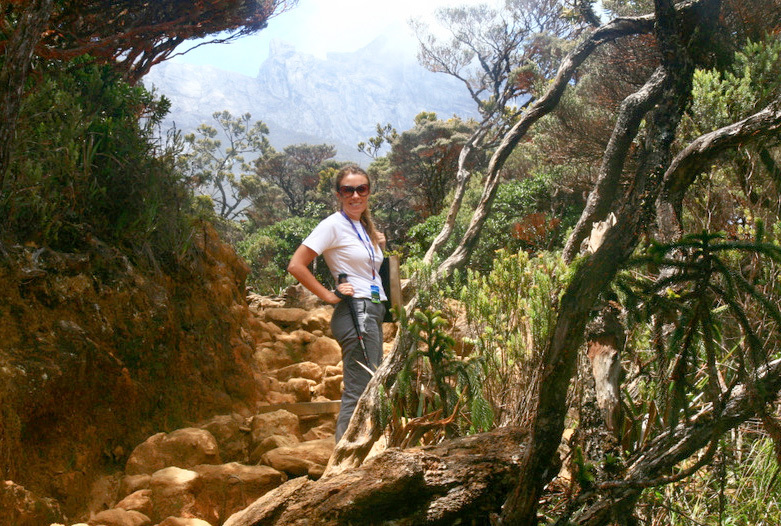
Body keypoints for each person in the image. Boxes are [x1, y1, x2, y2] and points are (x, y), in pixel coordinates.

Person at [287, 165, 387, 442]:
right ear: (338, 194)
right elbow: (296, 265)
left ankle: (362, 450)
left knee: (371, 383)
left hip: (372, 309)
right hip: (356, 312)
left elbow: (368, 270)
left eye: (361, 189)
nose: (355, 195)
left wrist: (378, 243)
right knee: (360, 387)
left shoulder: (363, 226)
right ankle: (344, 460)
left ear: (368, 192)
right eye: (348, 190)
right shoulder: (332, 224)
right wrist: (329, 296)